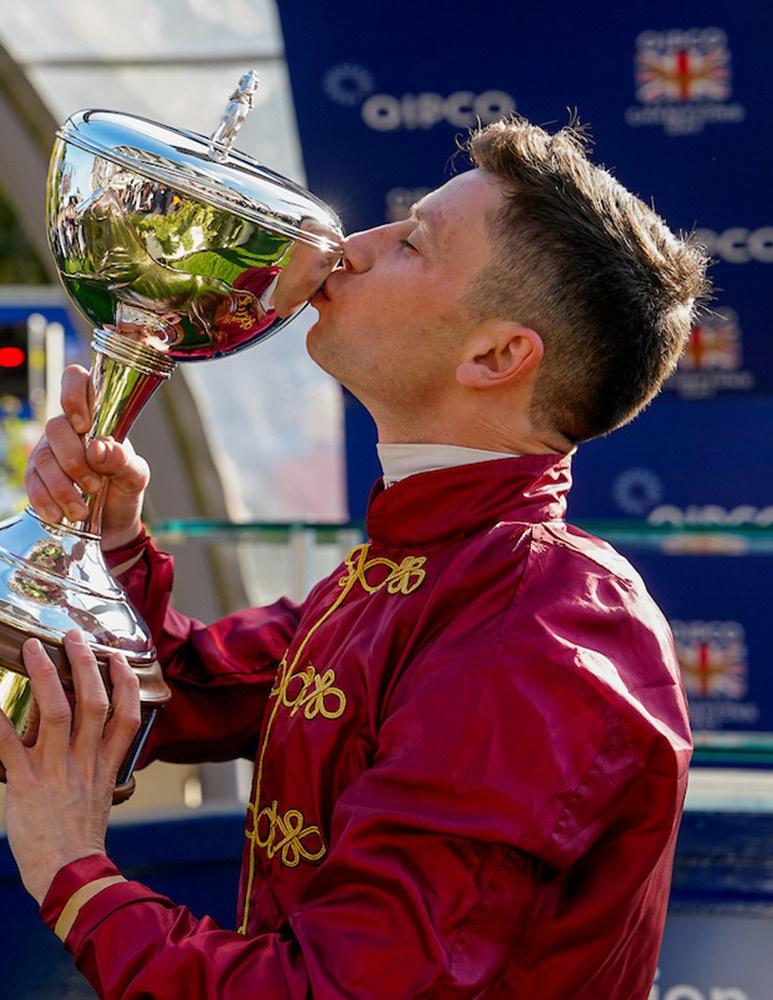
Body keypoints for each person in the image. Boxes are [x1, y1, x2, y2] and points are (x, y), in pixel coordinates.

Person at [1, 115, 708, 998]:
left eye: (411, 242)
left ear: (496, 355)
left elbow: (334, 988)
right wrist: (104, 548)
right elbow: (186, 694)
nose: (347, 247)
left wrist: (75, 875)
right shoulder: (431, 563)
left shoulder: (542, 624)